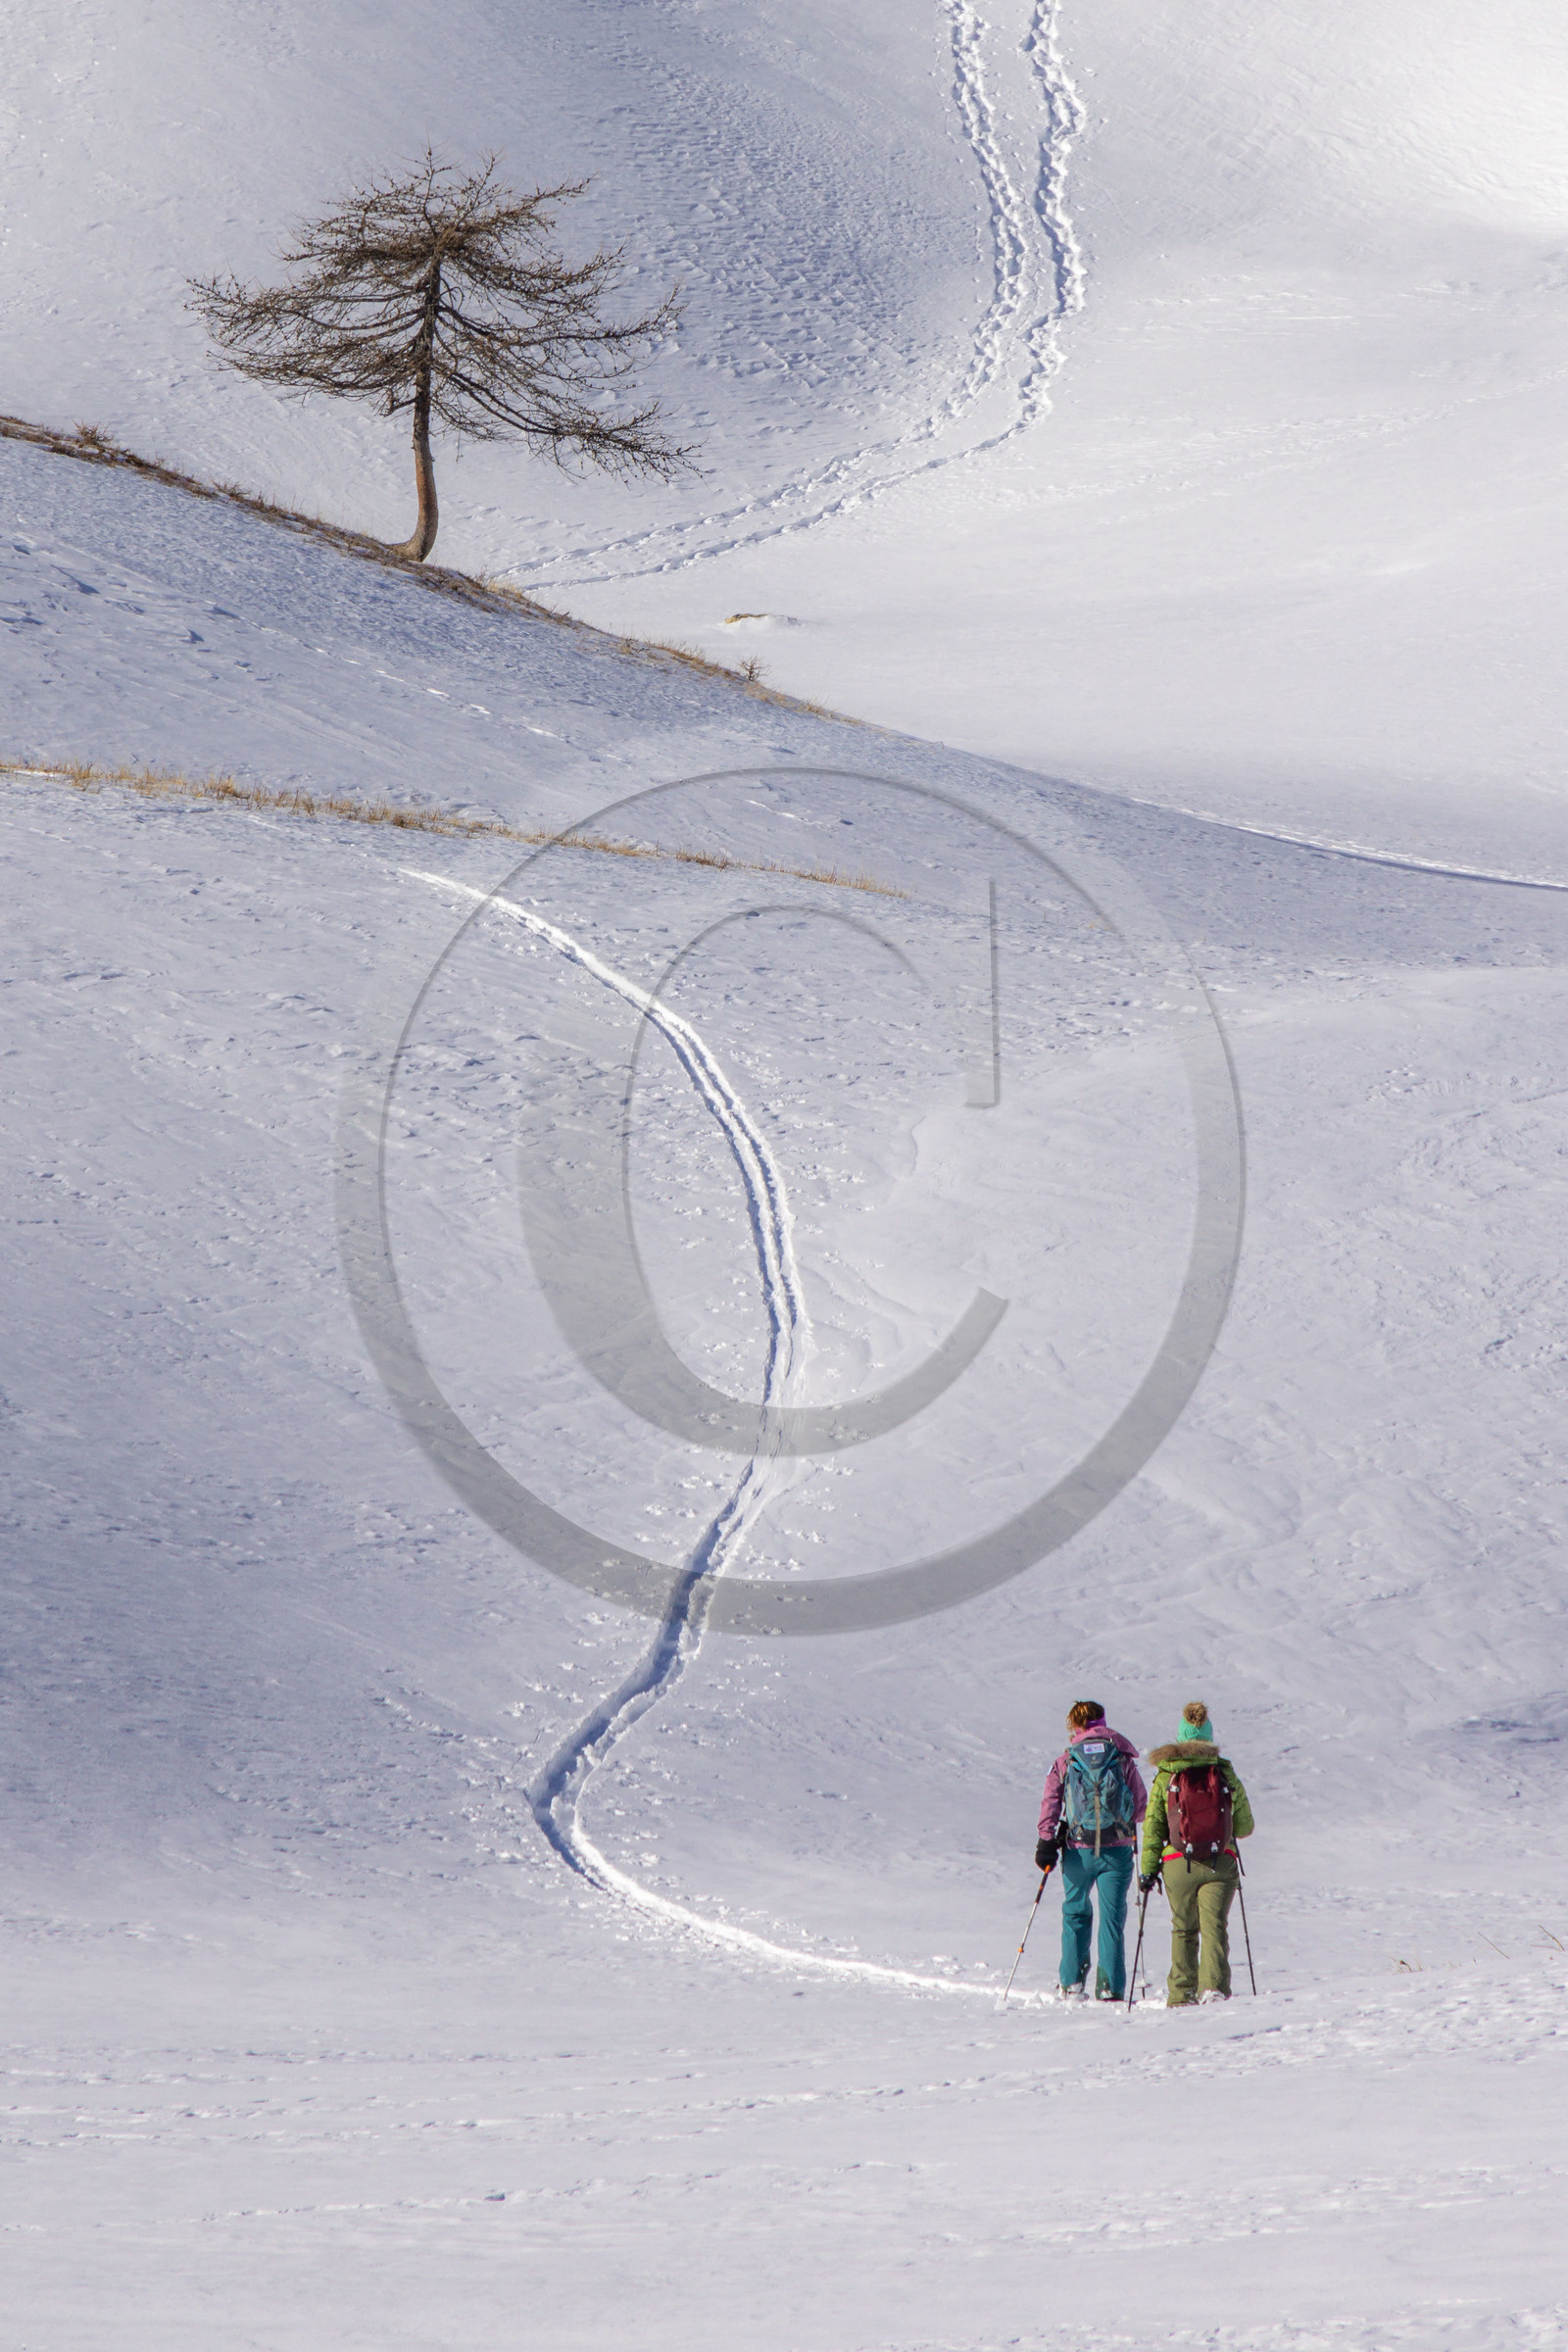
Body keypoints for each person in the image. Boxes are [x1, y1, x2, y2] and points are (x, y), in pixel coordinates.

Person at [1139, 1700, 1255, 2006]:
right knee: (1214, 1926)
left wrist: (1148, 1869)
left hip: (1178, 1864)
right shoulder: (1224, 1772)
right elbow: (1245, 1827)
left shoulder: (1166, 1776)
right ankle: (1213, 1989)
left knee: (1183, 1929)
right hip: (1220, 1862)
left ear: (1181, 1737)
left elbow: (1153, 1827)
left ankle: (1181, 1994)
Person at [1036, 1699, 1148, 2000]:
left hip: (1078, 1851)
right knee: (1112, 1919)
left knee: (1075, 1912)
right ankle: (1110, 1987)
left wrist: (1046, 1839)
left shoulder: (1067, 1760)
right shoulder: (1121, 1758)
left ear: (1075, 1725)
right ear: (1102, 1721)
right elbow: (1140, 1808)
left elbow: (1050, 1802)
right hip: (1118, 1852)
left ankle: (1072, 1983)